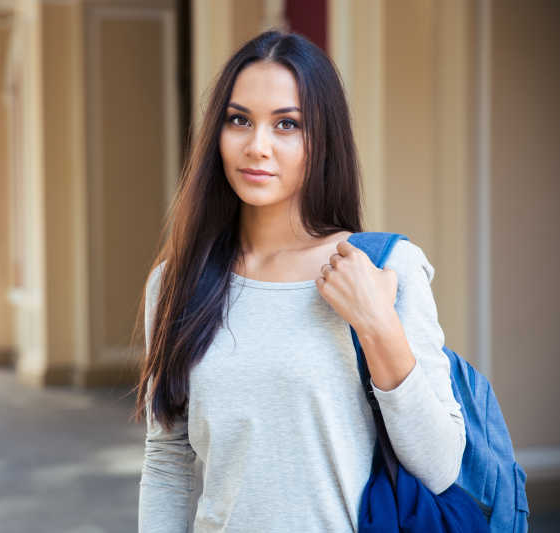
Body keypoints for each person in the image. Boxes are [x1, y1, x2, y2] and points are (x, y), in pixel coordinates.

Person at [132, 30, 465, 532]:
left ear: (323, 141)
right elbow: (167, 461)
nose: (257, 146)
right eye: (239, 120)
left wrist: (377, 325)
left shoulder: (384, 268)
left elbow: (440, 468)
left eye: (287, 125)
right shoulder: (176, 283)